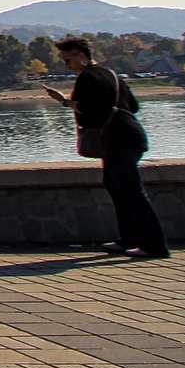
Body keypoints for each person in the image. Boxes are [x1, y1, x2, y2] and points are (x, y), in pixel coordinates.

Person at [44, 37, 167, 260]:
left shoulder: (87, 77)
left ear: (81, 56)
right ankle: (128, 239)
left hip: (117, 139)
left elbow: (91, 111)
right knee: (117, 187)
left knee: (130, 192)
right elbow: (134, 106)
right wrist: (68, 102)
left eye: (68, 60)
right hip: (129, 135)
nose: (66, 65)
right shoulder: (112, 74)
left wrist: (70, 104)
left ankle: (154, 245)